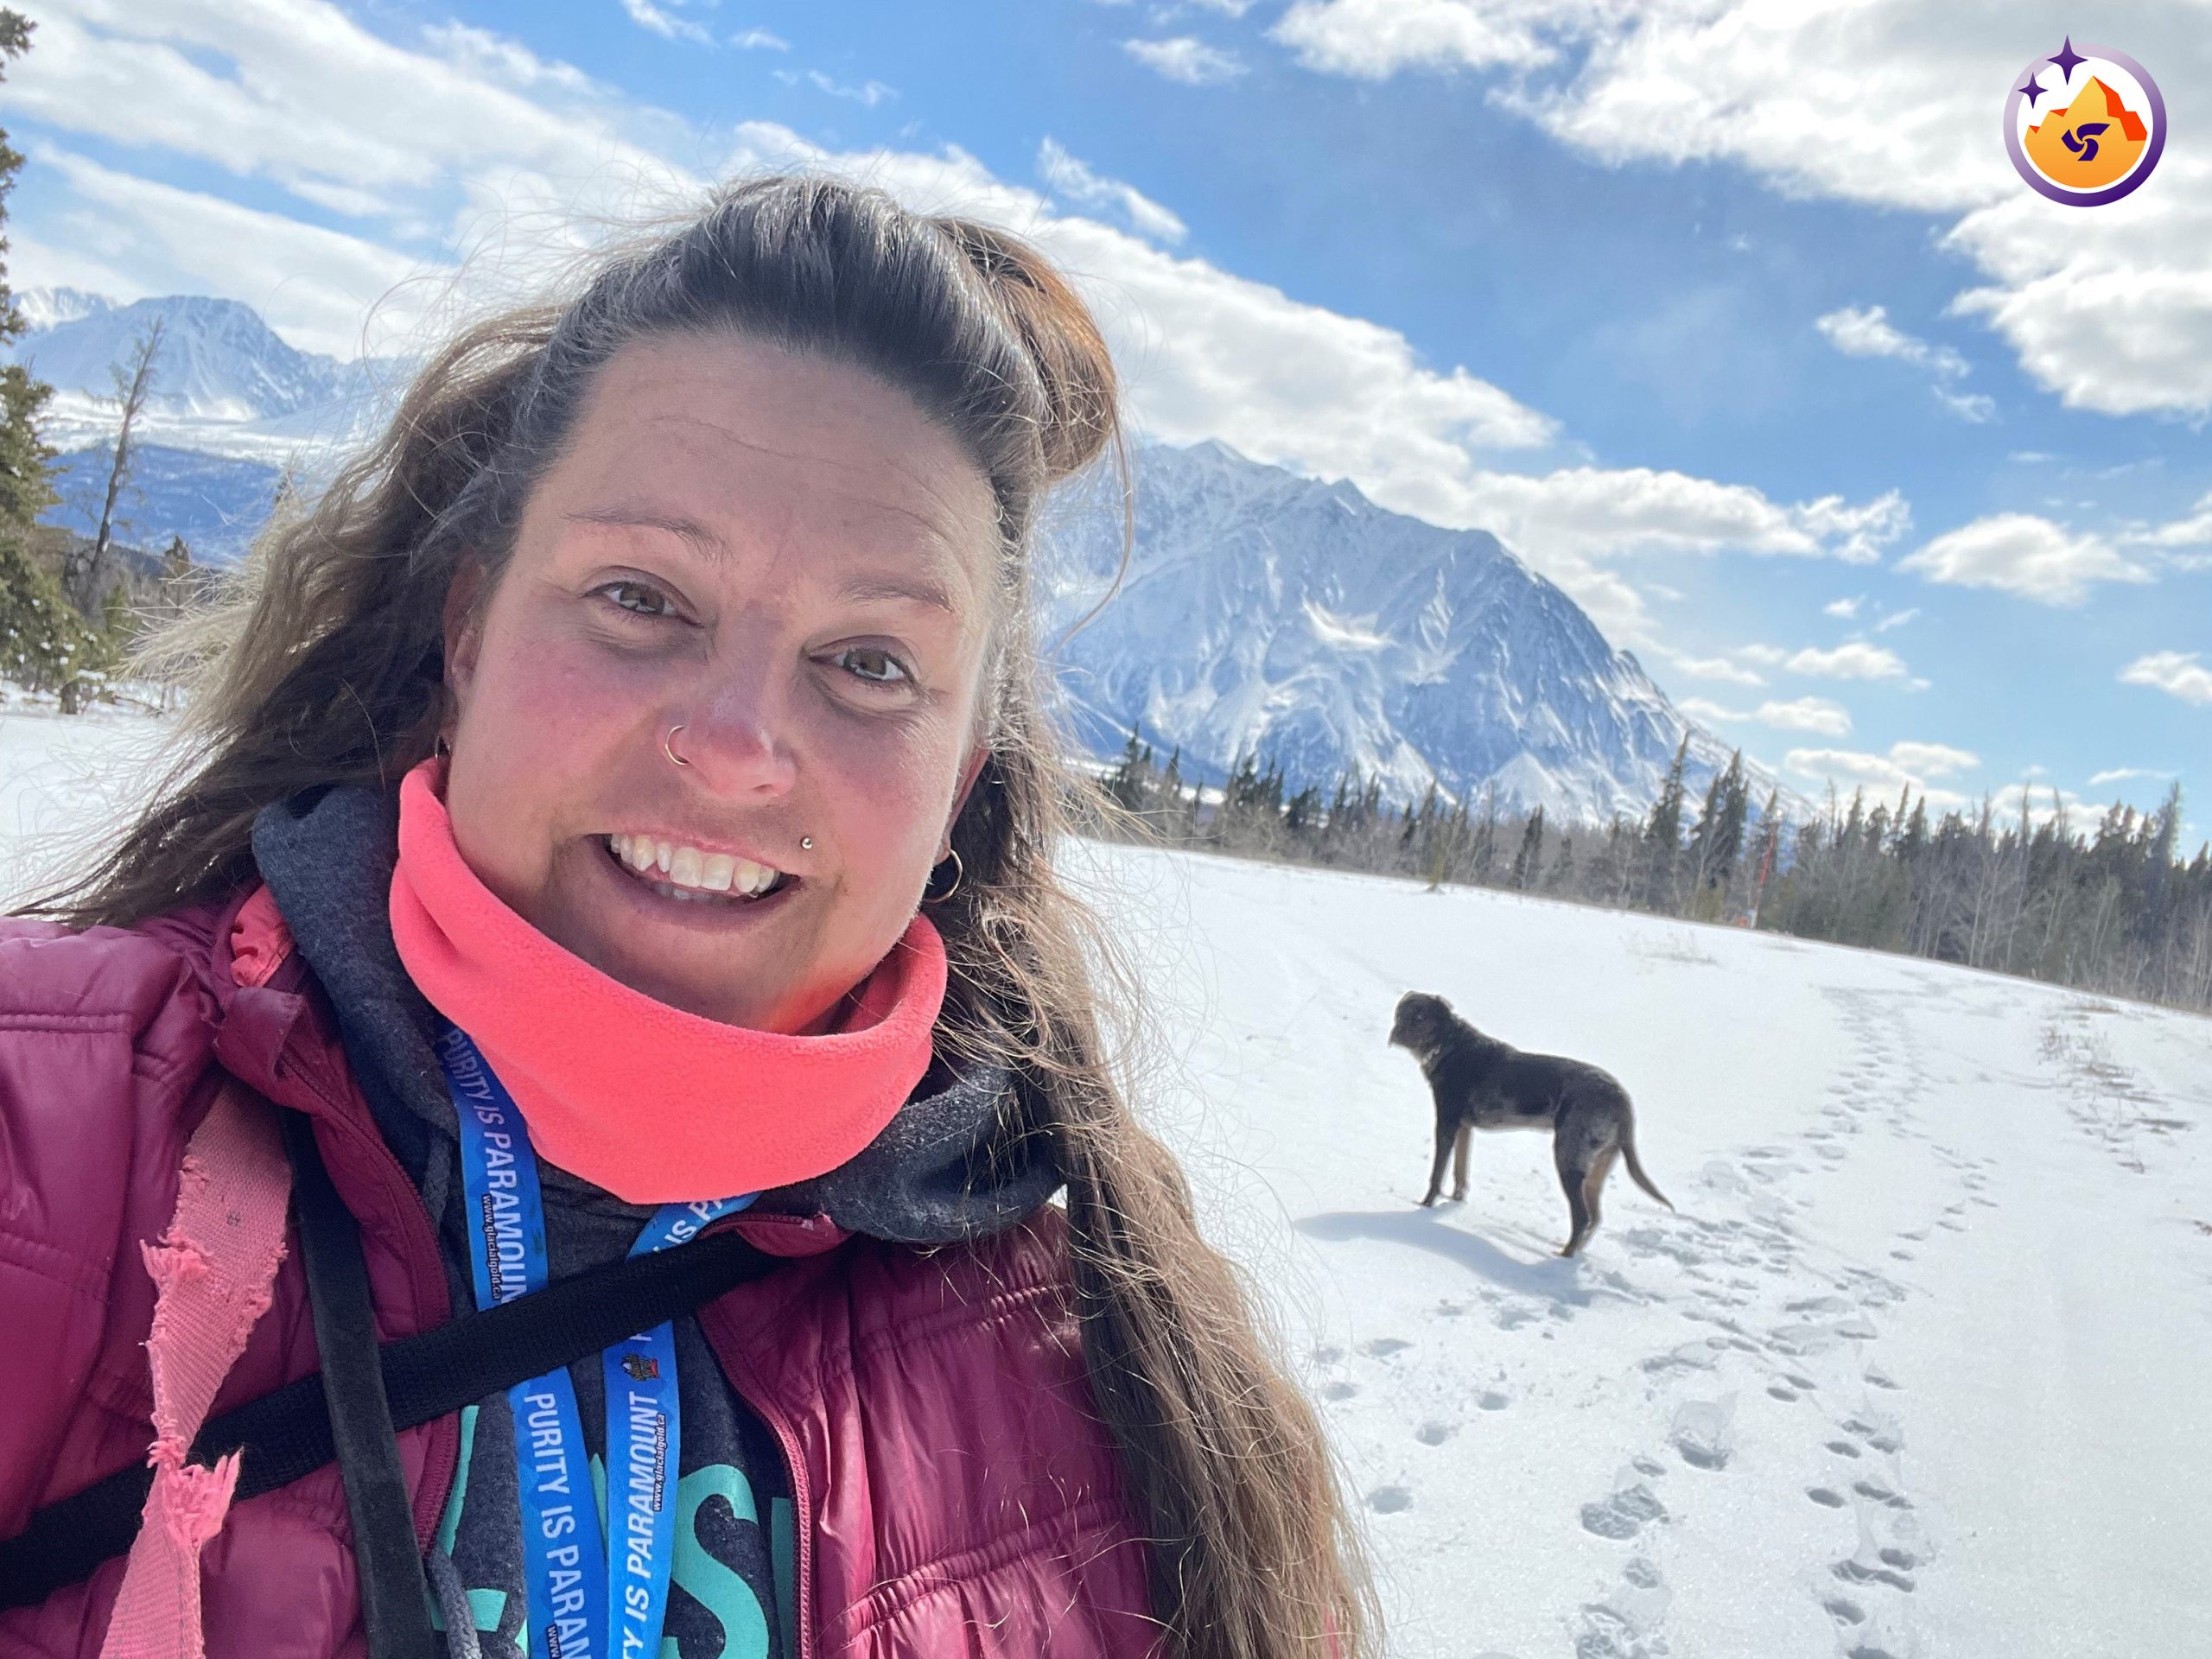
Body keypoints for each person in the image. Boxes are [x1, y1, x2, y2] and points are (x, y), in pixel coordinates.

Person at [0, 177, 1370, 1659]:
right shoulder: (49, 1138)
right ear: (470, 633)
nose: (732, 747)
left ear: (960, 780)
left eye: (867, 662)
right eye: (643, 597)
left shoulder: (1103, 1392)